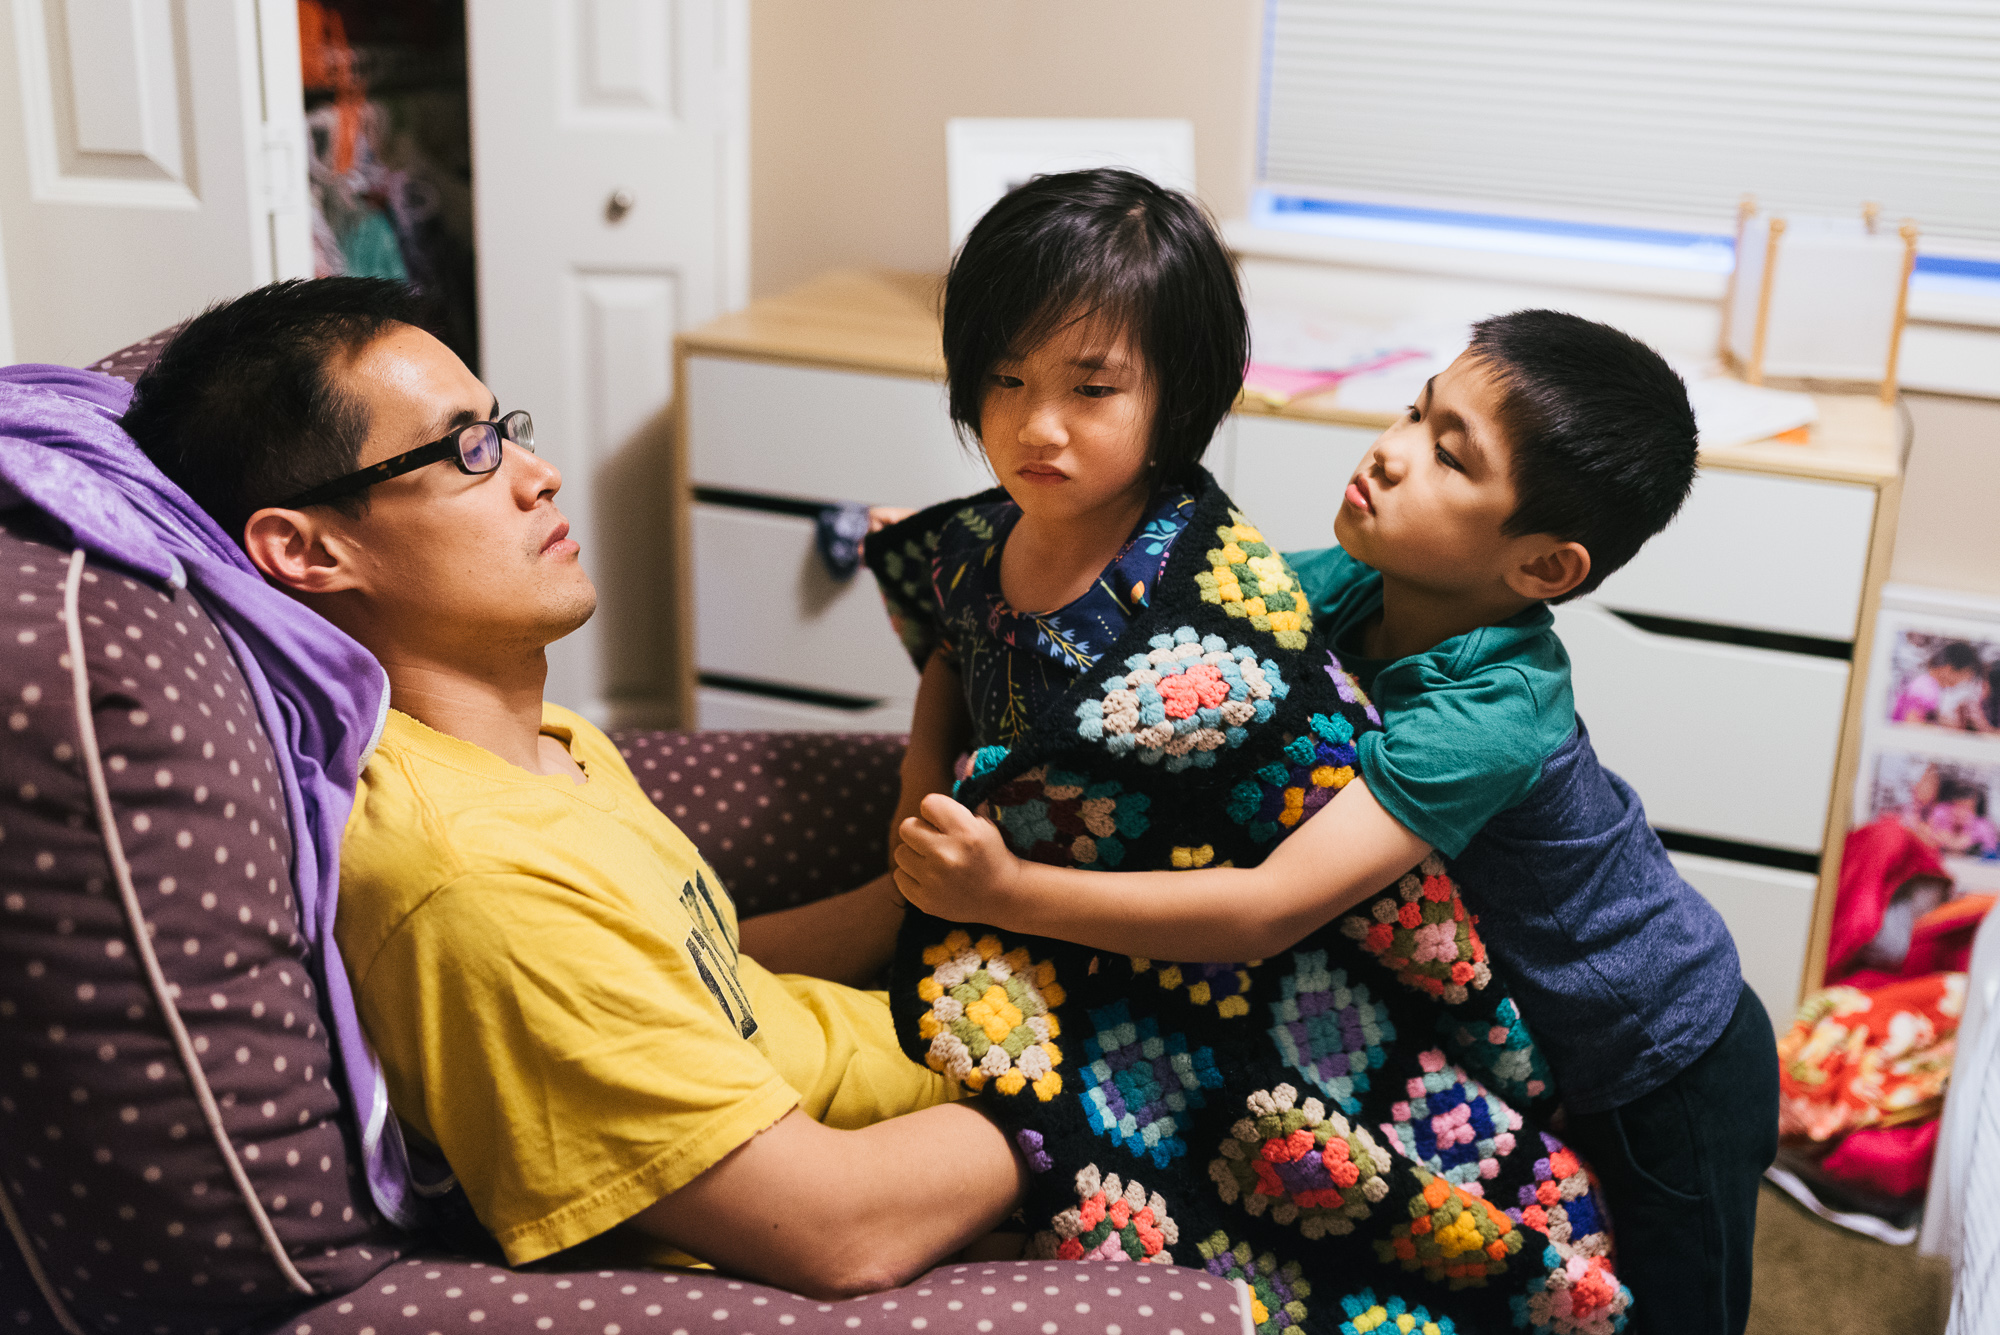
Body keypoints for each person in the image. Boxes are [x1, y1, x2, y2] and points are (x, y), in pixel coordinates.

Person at [119, 277, 1025, 1297]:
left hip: (954, 1044)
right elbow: (837, 1228)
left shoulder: (532, 737)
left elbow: (694, 971)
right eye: (465, 450)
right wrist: (1090, 1107)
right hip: (964, 1162)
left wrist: (931, 892)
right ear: (308, 549)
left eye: (503, 430)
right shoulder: (467, 885)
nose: (539, 475)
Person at [895, 311, 1776, 1334]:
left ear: (1542, 569)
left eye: (1447, 455)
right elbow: (1178, 623)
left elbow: (1268, 908)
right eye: (1415, 411)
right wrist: (987, 566)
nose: (1391, 451)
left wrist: (1007, 894)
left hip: (1667, 1053)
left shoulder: (1486, 715)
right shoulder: (1363, 585)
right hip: (1534, 1032)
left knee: (1670, 1312)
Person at [883, 166, 1248, 858]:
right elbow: (952, 651)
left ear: (1184, 396)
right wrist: (917, 780)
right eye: (1007, 379)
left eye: (1092, 388)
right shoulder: (974, 540)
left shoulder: (1185, 597)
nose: (1037, 427)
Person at [1891, 640, 1985, 728]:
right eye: (1962, 677)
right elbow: (1911, 723)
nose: (1959, 684)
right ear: (1948, 669)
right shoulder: (1925, 686)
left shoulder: (1929, 684)